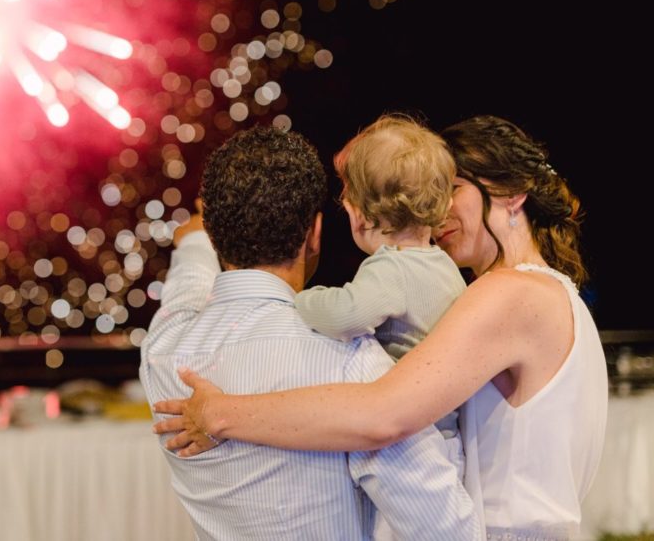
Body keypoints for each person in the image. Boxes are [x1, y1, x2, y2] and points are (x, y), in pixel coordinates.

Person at [154, 116, 607, 541]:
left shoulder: (512, 293)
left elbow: (381, 415)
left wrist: (221, 414)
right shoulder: (519, 291)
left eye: (453, 188)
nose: (439, 208)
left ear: (513, 194)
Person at [139, 126, 480, 540]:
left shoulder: (164, 347)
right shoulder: (351, 362)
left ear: (213, 236)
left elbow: (187, 285)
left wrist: (193, 239)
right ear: (315, 232)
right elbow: (447, 529)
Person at [293, 115, 465, 476]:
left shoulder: (392, 267)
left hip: (412, 444)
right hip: (445, 434)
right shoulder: (443, 265)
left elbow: (346, 315)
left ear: (358, 215)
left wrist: (299, 298)